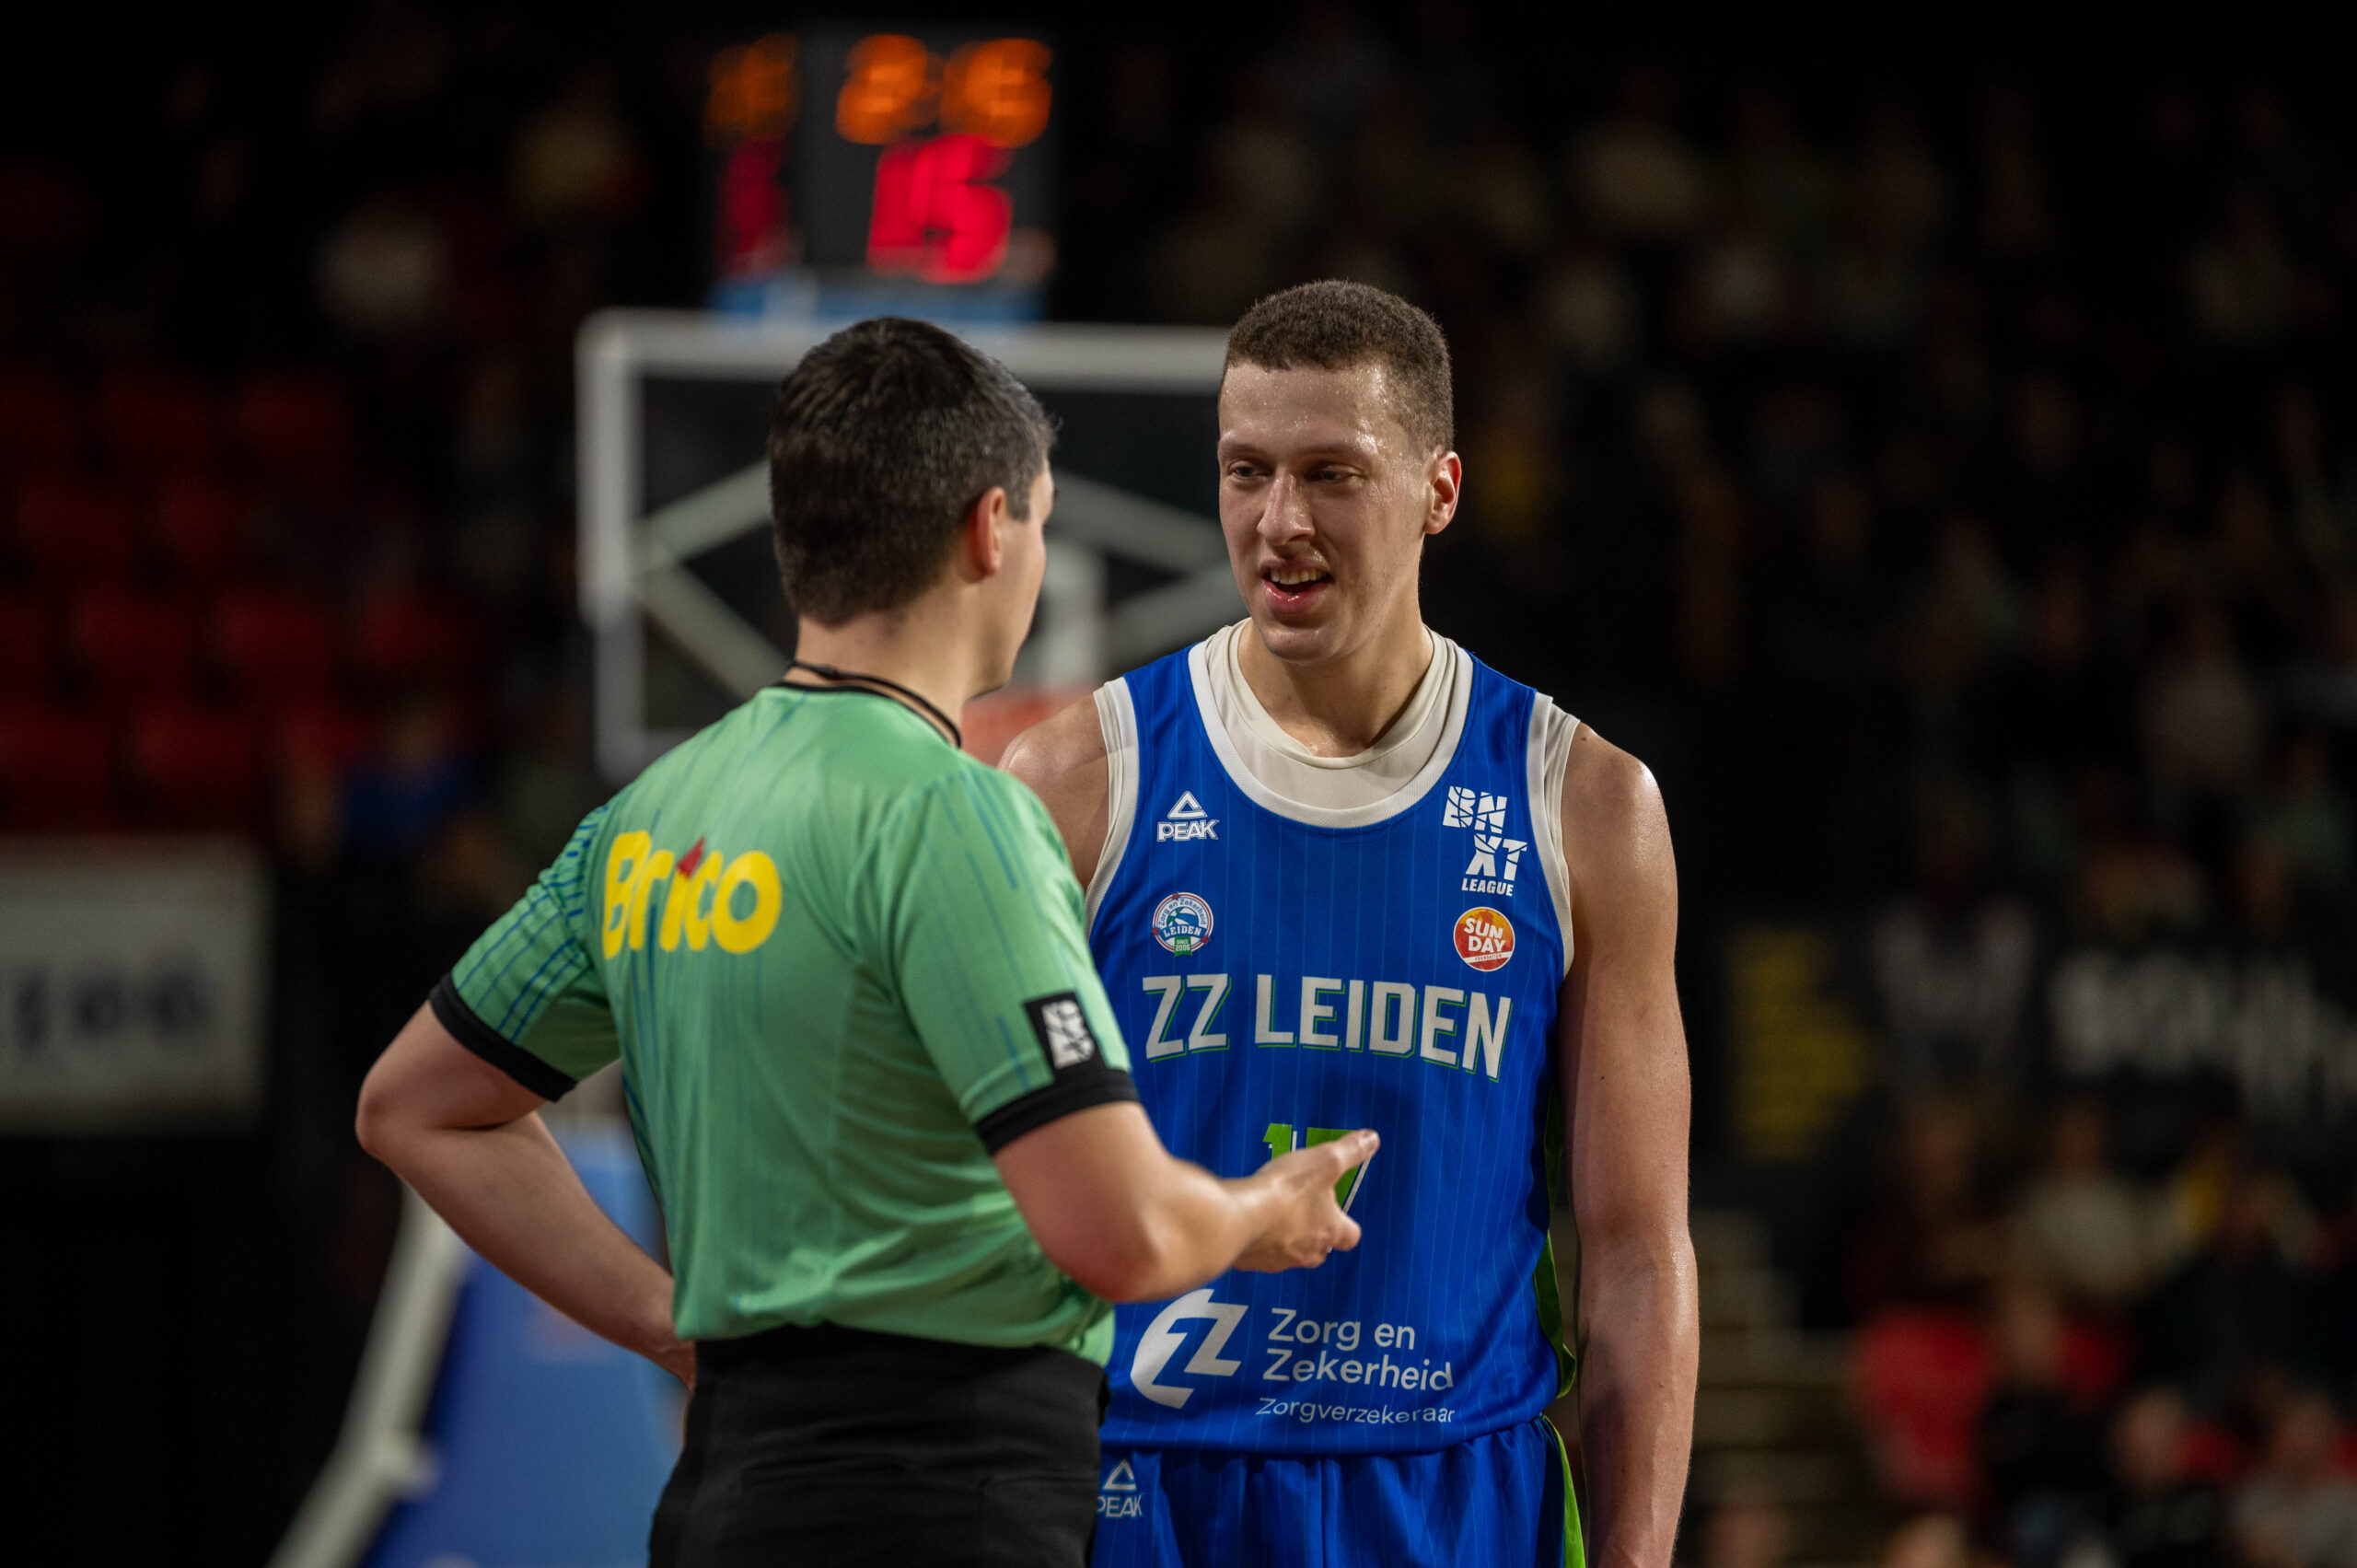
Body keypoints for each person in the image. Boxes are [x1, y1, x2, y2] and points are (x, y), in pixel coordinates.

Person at [355, 318, 1376, 1568]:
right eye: (1042, 523)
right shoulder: (954, 815)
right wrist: (1261, 1210)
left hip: (724, 1493)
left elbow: (412, 1106)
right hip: (944, 1501)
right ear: (990, 529)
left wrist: (663, 1320)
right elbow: (1123, 1235)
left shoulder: (648, 820)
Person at [1004, 280, 1697, 1566]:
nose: (1281, 522)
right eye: (1247, 471)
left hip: (1455, 1496)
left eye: (1332, 474)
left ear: (1439, 491)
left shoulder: (1587, 805)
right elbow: (985, 1194)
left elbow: (1639, 1251)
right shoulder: (1075, 785)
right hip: (1147, 1489)